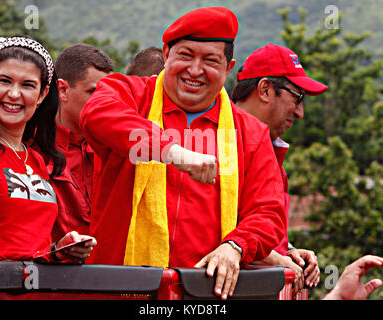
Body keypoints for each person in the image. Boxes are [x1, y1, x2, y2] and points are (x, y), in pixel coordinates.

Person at [81, 7, 287, 300]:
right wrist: (172, 151)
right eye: (185, 56)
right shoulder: (130, 94)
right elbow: (96, 113)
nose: (194, 70)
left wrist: (236, 246)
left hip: (204, 296)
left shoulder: (251, 134)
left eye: (210, 61)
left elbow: (268, 212)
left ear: (229, 68)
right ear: (166, 54)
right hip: (116, 289)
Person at [0, 36, 96, 262]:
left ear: (42, 95)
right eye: (5, 81)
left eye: (27, 85)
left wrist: (58, 249)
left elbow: (28, 247)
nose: (14, 94)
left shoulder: (38, 159)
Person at [232, 43, 328, 295]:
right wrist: (273, 260)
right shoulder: (219, 143)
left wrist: (286, 251)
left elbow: (256, 223)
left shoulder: (270, 151)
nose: (300, 113)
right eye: (297, 98)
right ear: (265, 89)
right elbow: (210, 230)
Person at [51, 43, 114, 241]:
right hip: (47, 268)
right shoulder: (30, 147)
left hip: (110, 268)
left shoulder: (113, 147)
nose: (104, 102)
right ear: (62, 90)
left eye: (109, 94)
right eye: (93, 93)